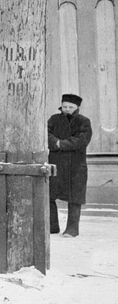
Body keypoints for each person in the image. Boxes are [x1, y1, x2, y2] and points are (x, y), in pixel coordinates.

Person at [48, 93, 92, 237]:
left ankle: (72, 229)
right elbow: (45, 134)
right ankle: (51, 226)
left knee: (75, 198)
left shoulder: (84, 121)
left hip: (76, 165)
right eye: (64, 106)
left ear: (77, 107)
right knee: (49, 195)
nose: (67, 109)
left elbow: (82, 141)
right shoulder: (54, 119)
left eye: (70, 107)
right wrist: (55, 142)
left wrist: (60, 144)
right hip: (55, 163)